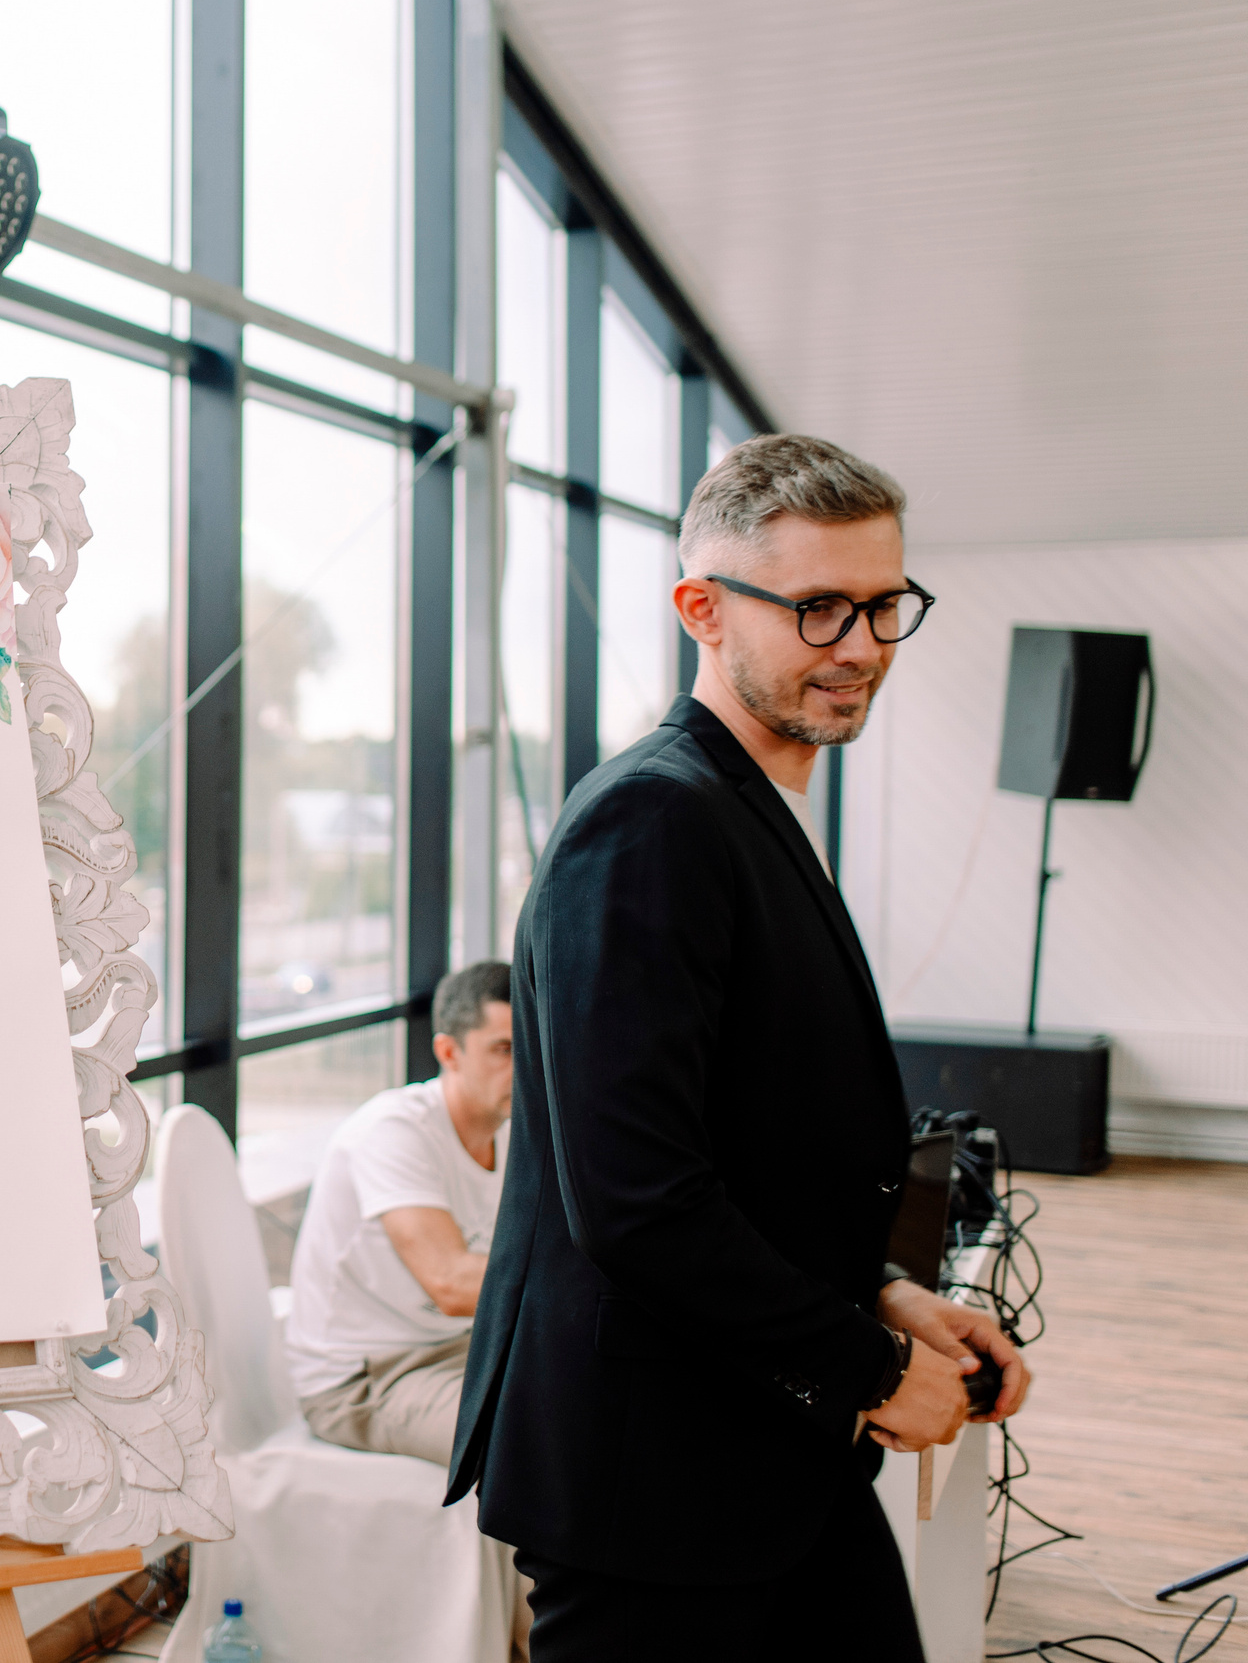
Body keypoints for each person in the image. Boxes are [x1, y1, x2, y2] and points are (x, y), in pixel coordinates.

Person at [444, 434, 1032, 1661]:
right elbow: (638, 1197)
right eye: (818, 607)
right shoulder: (651, 817)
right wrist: (873, 1366)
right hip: (651, 1471)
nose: (860, 645)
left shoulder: (747, 803)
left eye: (882, 604)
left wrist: (887, 1296)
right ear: (701, 609)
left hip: (761, 1438)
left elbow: (744, 1149)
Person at [284, 959, 514, 1465]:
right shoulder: (394, 1131)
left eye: (533, 1048)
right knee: (531, 1439)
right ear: (449, 1052)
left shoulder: (514, 1131)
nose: (526, 1067)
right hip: (363, 1377)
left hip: (463, 1348)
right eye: (504, 1050)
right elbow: (450, 1284)